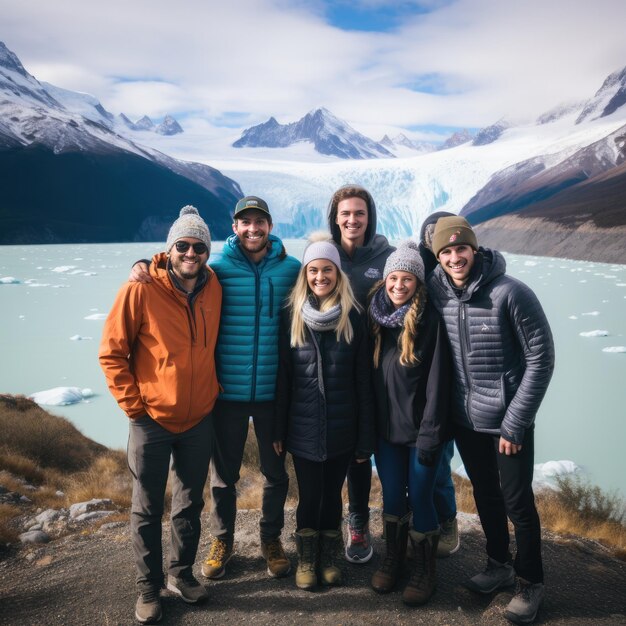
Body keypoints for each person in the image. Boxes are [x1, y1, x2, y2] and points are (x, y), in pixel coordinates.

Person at [129, 196, 300, 581]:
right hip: (225, 396)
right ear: (234, 227)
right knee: (224, 476)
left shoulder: (292, 269)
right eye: (245, 222)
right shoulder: (216, 269)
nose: (253, 228)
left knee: (276, 473)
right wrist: (142, 263)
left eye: (260, 222)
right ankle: (222, 541)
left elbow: (324, 285)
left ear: (270, 227)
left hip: (274, 393)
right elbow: (174, 266)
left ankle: (271, 540)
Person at [427, 215, 555, 625]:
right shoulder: (438, 291)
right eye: (445, 251)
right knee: (485, 494)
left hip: (506, 422)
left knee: (518, 503)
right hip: (466, 420)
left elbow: (541, 357)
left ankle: (530, 582)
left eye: (460, 248)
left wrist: (516, 420)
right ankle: (498, 563)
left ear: (474, 249)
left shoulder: (510, 293)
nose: (454, 257)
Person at [99, 206, 221, 624]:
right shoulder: (140, 288)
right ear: (169, 249)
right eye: (183, 245)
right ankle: (148, 588)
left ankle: (181, 574)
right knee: (146, 507)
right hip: (151, 419)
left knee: (189, 503)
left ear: (207, 251)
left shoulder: (213, 285)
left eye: (199, 246)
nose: (191, 253)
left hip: (199, 418)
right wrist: (135, 406)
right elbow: (112, 353)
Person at [273, 236, 375, 590]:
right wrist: (277, 431)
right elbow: (283, 379)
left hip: (342, 429)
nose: (320, 276)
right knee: (309, 496)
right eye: (313, 270)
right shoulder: (292, 316)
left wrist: (365, 436)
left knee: (333, 496)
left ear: (337, 273)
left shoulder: (354, 316)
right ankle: (306, 558)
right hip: (302, 428)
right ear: (305, 274)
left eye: (327, 270)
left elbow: (363, 381)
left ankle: (328, 558)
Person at [368, 240, 451, 605]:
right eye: (394, 278)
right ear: (385, 280)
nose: (399, 285)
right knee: (391, 497)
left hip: (421, 434)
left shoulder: (429, 323)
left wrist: (432, 436)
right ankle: (394, 557)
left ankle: (424, 569)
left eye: (407, 279)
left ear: (418, 283)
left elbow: (438, 385)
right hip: (386, 434)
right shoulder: (376, 320)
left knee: (420, 495)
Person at [326, 184, 394, 563]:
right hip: (334, 369)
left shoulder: (386, 257)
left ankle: (358, 522)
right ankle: (325, 523)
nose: (353, 220)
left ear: (370, 217)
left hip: (376, 368)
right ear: (335, 218)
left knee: (362, 450)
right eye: (346, 213)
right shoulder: (323, 255)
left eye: (360, 213)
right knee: (332, 446)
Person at [418, 211, 461, 558]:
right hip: (414, 381)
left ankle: (447, 519)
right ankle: (420, 520)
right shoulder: (416, 270)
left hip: (448, 383)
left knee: (439, 461)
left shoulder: (461, 276)